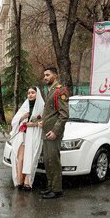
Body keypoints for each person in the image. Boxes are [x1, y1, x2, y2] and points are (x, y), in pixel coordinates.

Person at [39, 67, 69, 199]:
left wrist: (55, 132)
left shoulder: (60, 91)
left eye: (48, 75)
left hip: (53, 133)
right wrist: (42, 122)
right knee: (48, 161)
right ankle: (50, 187)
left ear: (55, 76)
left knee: (54, 161)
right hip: (46, 132)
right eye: (44, 75)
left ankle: (57, 190)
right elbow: (51, 113)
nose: (45, 77)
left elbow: (64, 115)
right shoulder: (51, 90)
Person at [9, 86, 44, 191]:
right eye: (28, 93)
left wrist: (33, 124)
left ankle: (27, 182)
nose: (30, 95)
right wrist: (22, 117)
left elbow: (44, 122)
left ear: (37, 94)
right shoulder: (25, 106)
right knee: (20, 158)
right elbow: (14, 121)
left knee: (30, 158)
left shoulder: (42, 107)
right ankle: (19, 180)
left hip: (33, 136)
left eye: (32, 92)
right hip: (22, 136)